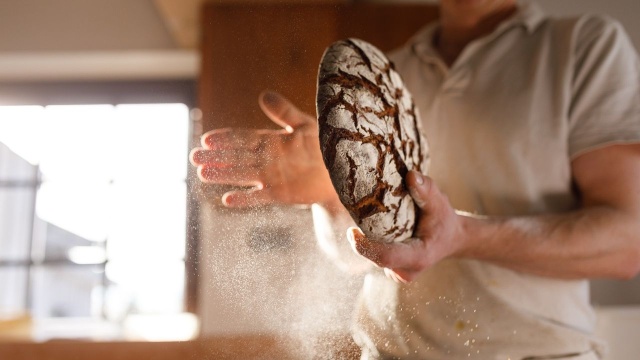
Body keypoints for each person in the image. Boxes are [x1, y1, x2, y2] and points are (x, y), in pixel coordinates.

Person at [190, 0, 640, 358]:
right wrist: (332, 194)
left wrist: (463, 235)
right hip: (386, 352)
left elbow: (626, 244)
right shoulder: (383, 75)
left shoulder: (583, 46)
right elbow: (366, 257)